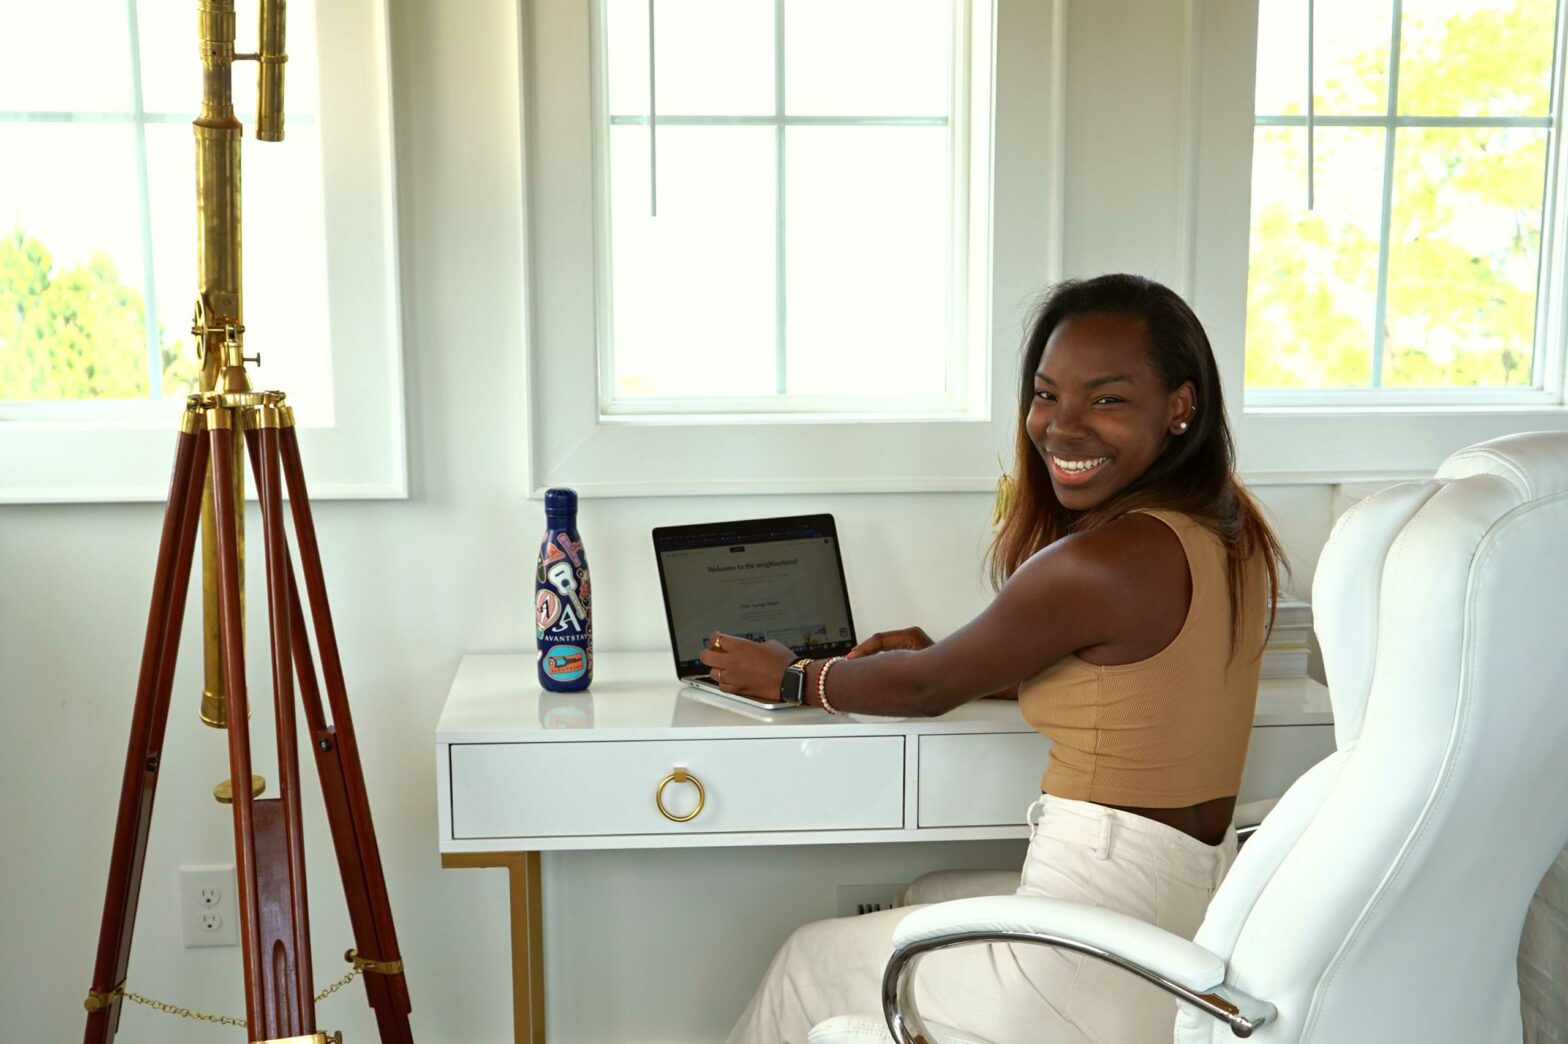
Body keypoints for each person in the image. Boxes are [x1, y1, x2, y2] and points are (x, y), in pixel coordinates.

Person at [701, 273, 1288, 1044]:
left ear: (1180, 404)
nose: (1062, 427)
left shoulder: (1104, 560)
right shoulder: (1229, 530)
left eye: (1106, 400)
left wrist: (790, 677)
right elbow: (1135, 675)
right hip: (1177, 924)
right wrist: (963, 656)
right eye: (1048, 396)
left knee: (804, 961)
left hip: (1083, 960)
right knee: (928, 890)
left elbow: (922, 687)